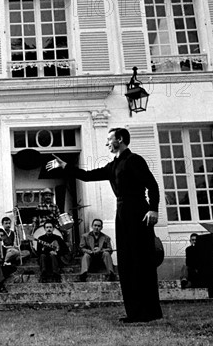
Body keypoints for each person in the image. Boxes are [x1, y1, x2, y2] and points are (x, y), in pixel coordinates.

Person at [47, 127, 163, 323]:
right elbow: (86, 175)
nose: (107, 143)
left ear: (120, 139)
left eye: (109, 139)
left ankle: (150, 311)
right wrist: (65, 165)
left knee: (141, 261)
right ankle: (134, 312)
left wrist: (153, 209)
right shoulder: (113, 166)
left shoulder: (134, 160)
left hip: (139, 212)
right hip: (122, 213)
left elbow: (152, 185)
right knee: (126, 262)